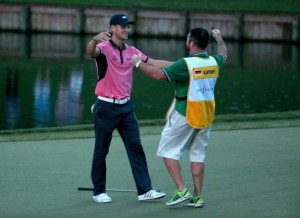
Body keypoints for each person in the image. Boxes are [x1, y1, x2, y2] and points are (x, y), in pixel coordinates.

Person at [131, 27, 227, 208]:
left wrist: (137, 63)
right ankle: (197, 197)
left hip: (186, 113)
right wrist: (219, 38)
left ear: (191, 43)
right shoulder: (213, 61)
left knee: (167, 151)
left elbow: (158, 75)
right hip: (206, 115)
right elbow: (224, 52)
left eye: (187, 38)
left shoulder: (185, 65)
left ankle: (182, 189)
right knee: (198, 155)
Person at [86, 13, 171, 203]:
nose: (127, 29)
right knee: (101, 150)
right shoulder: (103, 48)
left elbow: (154, 63)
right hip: (106, 107)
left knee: (136, 148)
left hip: (126, 108)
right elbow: (91, 53)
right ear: (113, 28)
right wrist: (92, 39)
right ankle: (99, 191)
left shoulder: (132, 50)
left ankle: (145, 190)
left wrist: (184, 65)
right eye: (123, 26)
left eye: (128, 27)